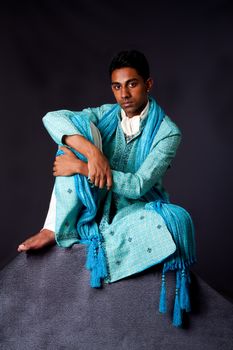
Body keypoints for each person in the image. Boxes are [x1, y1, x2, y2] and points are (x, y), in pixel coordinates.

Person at [17, 50, 196, 326]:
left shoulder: (167, 132)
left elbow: (137, 185)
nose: (123, 94)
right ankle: (53, 227)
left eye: (132, 84)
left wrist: (83, 167)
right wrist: (90, 151)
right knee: (72, 138)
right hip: (95, 199)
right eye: (117, 86)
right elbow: (52, 118)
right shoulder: (106, 114)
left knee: (172, 221)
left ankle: (101, 244)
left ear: (148, 84)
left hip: (136, 208)